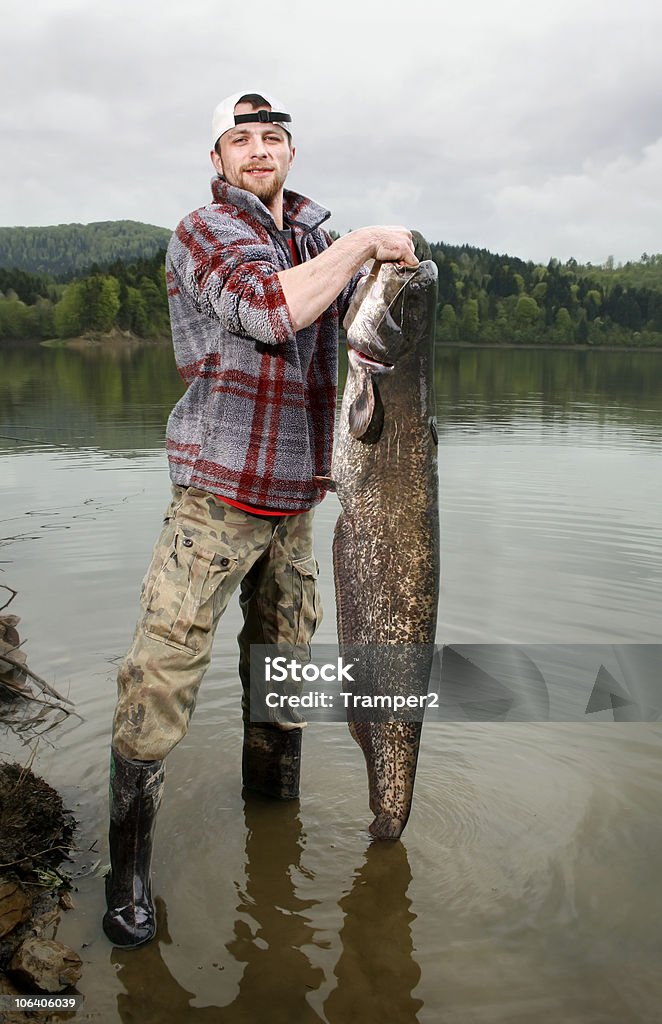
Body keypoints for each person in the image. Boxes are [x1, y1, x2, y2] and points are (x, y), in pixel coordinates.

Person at [103, 90, 418, 948]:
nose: (258, 151)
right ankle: (127, 877)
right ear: (217, 158)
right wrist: (362, 242)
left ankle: (270, 820)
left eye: (273, 136)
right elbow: (270, 310)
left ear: (290, 152)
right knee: (159, 675)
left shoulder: (315, 238)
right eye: (239, 139)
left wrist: (400, 268)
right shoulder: (204, 235)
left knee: (282, 683)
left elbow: (369, 313)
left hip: (299, 503)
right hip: (217, 497)